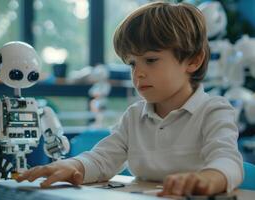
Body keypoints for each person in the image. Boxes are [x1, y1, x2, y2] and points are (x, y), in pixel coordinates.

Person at [17, 1, 243, 196]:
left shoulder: (214, 111)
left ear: (193, 61)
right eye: (132, 63)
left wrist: (210, 178)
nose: (138, 73)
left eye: (151, 60)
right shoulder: (134, 116)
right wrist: (71, 165)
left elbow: (228, 161)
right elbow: (101, 159)